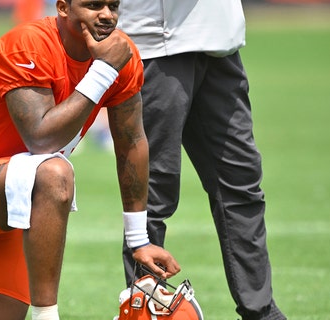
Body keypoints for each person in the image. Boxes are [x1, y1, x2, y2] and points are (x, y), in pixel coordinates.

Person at [0, 0, 181, 319]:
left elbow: (131, 143)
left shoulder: (121, 53)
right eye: (93, 5)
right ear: (62, 8)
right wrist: (102, 71)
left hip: (20, 205)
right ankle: (47, 315)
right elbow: (42, 139)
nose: (106, 15)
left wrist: (139, 241)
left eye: (113, 5)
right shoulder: (27, 43)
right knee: (55, 173)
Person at [117, 1, 288, 320]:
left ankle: (262, 311)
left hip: (220, 42)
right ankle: (143, 310)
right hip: (156, 41)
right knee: (153, 190)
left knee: (242, 186)